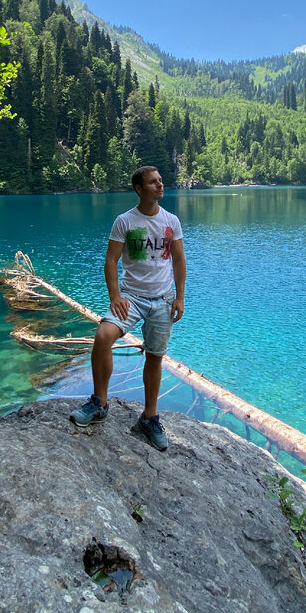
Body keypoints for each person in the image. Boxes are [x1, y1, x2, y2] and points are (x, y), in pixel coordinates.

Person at [71, 165, 186, 450]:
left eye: (160, 181)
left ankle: (149, 417)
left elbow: (179, 261)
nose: (160, 186)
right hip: (132, 298)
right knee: (103, 337)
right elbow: (111, 260)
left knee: (155, 356)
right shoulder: (125, 221)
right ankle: (99, 403)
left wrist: (180, 297)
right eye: (153, 182)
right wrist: (115, 296)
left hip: (162, 300)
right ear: (139, 188)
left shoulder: (171, 221)